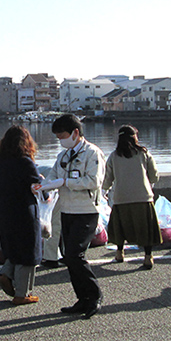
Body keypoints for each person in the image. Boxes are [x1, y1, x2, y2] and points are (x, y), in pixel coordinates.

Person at [38, 114, 106, 318]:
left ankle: (94, 296)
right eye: (58, 137)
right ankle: (82, 298)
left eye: (63, 136)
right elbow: (54, 175)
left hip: (86, 212)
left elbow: (93, 181)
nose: (61, 141)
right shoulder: (64, 156)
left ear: (76, 133)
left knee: (76, 255)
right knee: (69, 256)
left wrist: (65, 182)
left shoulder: (92, 153)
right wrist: (44, 187)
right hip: (67, 210)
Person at [0, 126, 43, 305]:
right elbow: (36, 185)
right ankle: (22, 294)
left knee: (14, 247)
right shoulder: (25, 162)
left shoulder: (0, 160)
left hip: (5, 211)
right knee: (29, 251)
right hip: (24, 210)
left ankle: (5, 273)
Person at [101, 125, 161, 269]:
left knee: (120, 227)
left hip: (121, 198)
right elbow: (154, 176)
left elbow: (107, 179)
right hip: (143, 197)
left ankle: (120, 253)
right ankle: (148, 257)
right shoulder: (143, 154)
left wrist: (104, 191)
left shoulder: (114, 156)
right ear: (134, 137)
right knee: (146, 229)